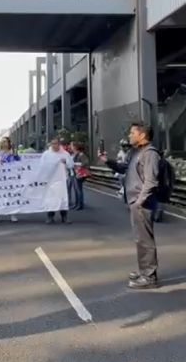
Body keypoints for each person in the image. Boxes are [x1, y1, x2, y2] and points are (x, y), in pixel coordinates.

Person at [100, 123, 161, 290]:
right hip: (135, 201)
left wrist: (139, 202)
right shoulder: (135, 152)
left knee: (145, 240)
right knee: (140, 239)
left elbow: (151, 181)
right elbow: (123, 168)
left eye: (132, 133)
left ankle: (149, 277)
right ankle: (145, 271)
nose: (130, 135)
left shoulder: (150, 154)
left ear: (142, 135)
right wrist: (108, 161)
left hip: (143, 203)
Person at [42, 137, 74, 224]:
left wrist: (66, 162)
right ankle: (50, 217)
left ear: (59, 144)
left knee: (63, 198)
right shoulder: (46, 154)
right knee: (51, 198)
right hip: (51, 180)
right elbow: (42, 166)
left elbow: (71, 165)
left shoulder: (65, 154)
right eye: (52, 144)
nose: (54, 145)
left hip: (62, 180)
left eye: (56, 143)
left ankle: (64, 217)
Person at [0, 137, 19, 223]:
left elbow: (18, 162)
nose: (4, 143)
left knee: (11, 195)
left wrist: (15, 155)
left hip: (10, 177)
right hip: (0, 176)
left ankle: (12, 214)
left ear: (9, 143)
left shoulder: (12, 152)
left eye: (6, 142)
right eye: (2, 142)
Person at [69, 142, 90, 211]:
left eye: (71, 146)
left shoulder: (81, 154)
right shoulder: (73, 154)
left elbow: (86, 163)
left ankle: (80, 204)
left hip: (79, 173)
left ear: (75, 147)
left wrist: (76, 164)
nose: (70, 147)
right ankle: (77, 203)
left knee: (79, 189)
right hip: (74, 173)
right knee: (76, 189)